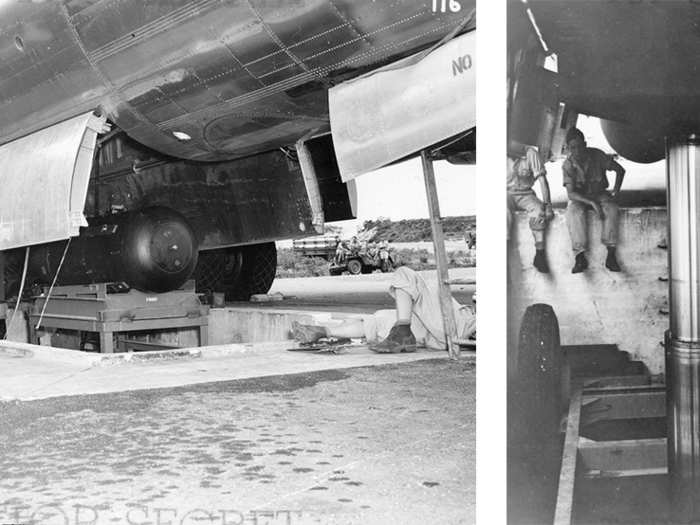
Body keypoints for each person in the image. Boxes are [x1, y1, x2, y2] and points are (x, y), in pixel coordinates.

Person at [291, 266, 475, 353]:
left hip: (464, 324)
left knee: (406, 275)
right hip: (442, 338)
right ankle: (321, 332)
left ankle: (403, 330)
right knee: (382, 319)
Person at [563, 127, 626, 273]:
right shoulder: (568, 165)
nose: (577, 151)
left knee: (611, 209)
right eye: (573, 148)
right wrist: (591, 203)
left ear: (585, 144)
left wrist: (615, 191)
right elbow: (571, 194)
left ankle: (611, 256)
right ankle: (579, 257)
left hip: (599, 194)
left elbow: (620, 170)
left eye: (580, 146)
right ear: (568, 149)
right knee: (573, 213)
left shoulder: (597, 155)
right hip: (580, 198)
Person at [507, 143, 554, 272]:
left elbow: (542, 180)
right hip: (506, 194)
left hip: (525, 194)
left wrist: (548, 206)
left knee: (539, 211)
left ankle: (540, 255)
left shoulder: (531, 154)